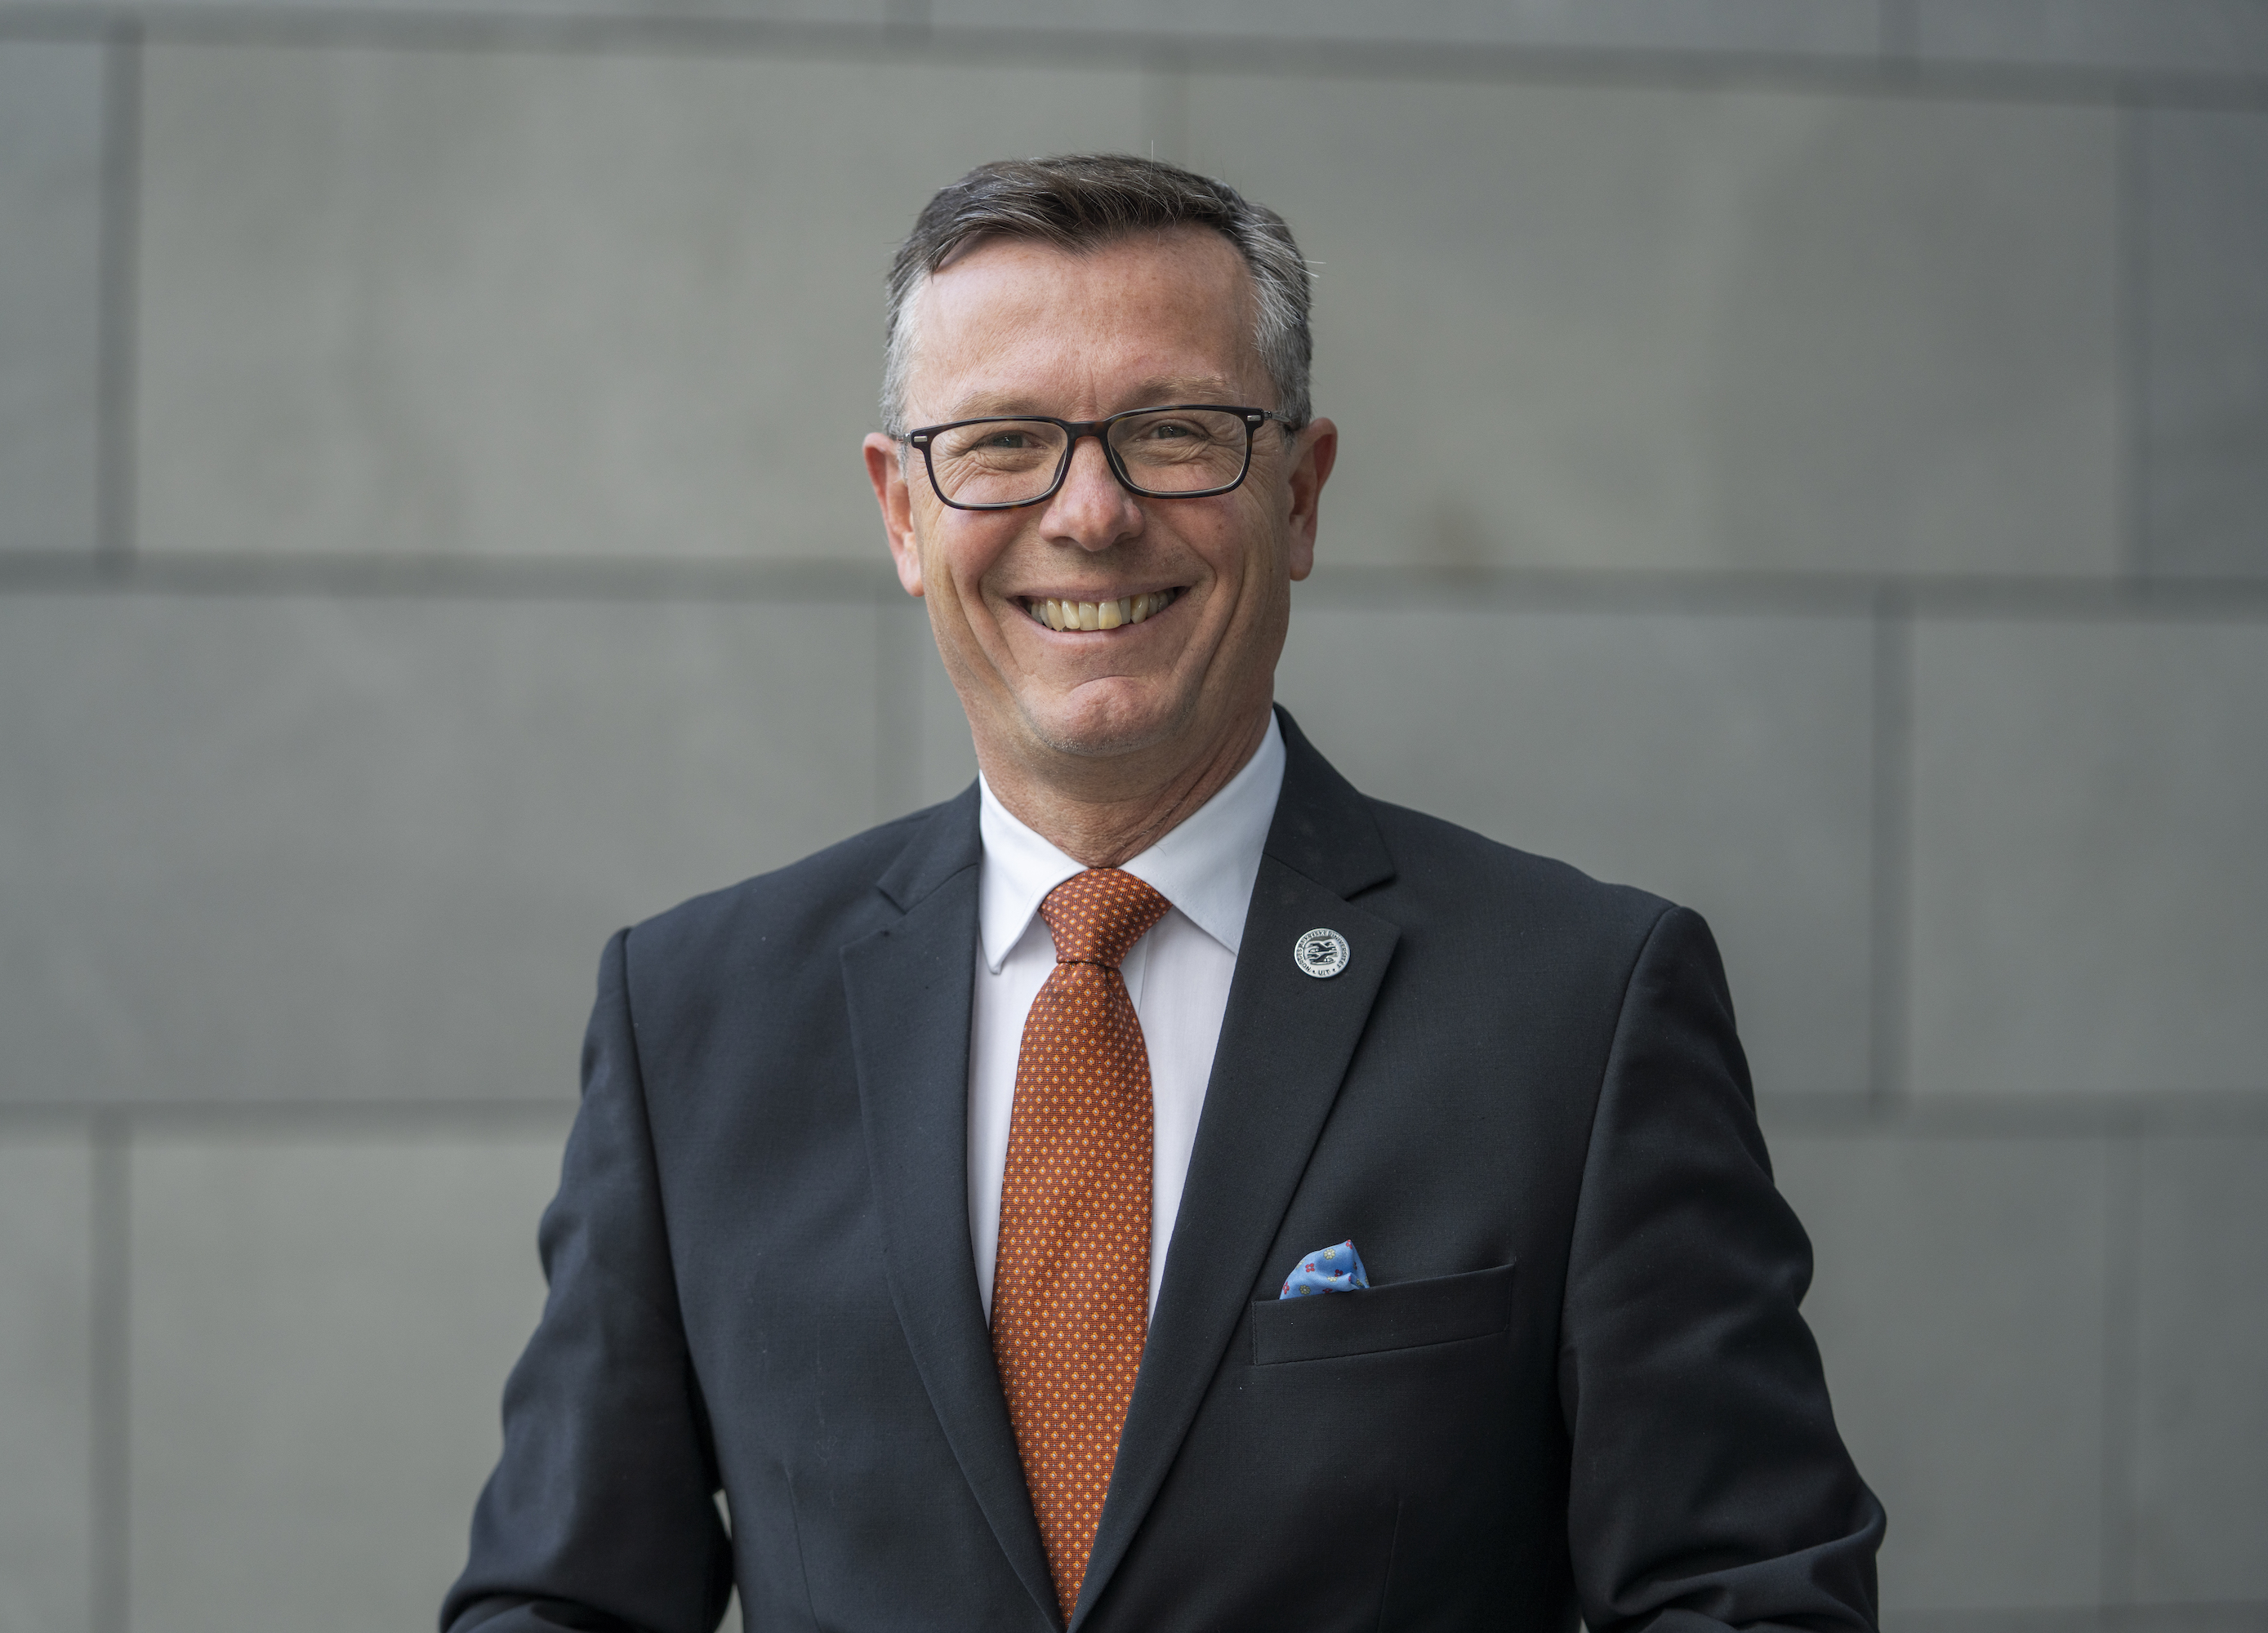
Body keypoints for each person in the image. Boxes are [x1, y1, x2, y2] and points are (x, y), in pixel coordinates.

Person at [443, 154, 1883, 1633]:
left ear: (1301, 495)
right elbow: (560, 1606)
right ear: (901, 513)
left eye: (1175, 433)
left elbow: (1749, 1599)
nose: (1091, 512)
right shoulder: (695, 1019)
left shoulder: (1579, 1009)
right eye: (1003, 442)